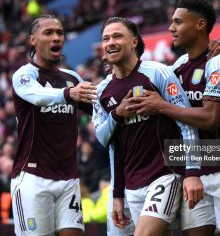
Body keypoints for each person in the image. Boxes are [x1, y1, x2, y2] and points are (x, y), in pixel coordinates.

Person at [127, 0, 220, 236]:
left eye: (178, 22)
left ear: (200, 24)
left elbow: (210, 118)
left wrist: (161, 106)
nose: (171, 28)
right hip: (195, 170)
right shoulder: (178, 66)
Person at [92, 16, 199, 236]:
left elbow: (187, 125)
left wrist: (191, 172)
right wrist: (117, 114)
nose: (111, 42)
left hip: (165, 175)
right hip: (129, 185)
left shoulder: (157, 72)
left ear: (134, 42)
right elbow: (105, 141)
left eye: (117, 36)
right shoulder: (102, 91)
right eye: (106, 38)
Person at [10, 15, 97, 236]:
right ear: (32, 40)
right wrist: (69, 94)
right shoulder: (24, 75)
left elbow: (100, 110)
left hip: (68, 179)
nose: (56, 37)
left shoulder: (71, 78)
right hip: (33, 179)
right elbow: (38, 96)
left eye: (59, 33)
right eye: (48, 33)